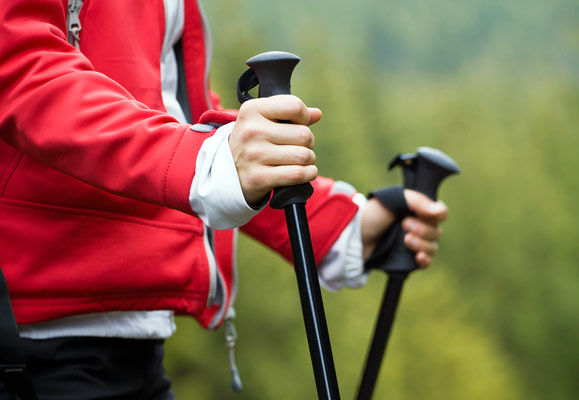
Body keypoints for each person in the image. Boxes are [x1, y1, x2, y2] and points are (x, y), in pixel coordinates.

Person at [0, 0, 449, 398]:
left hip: (129, 347)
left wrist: (337, 227)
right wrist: (201, 159)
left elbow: (174, 119)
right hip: (28, 349)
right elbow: (20, 66)